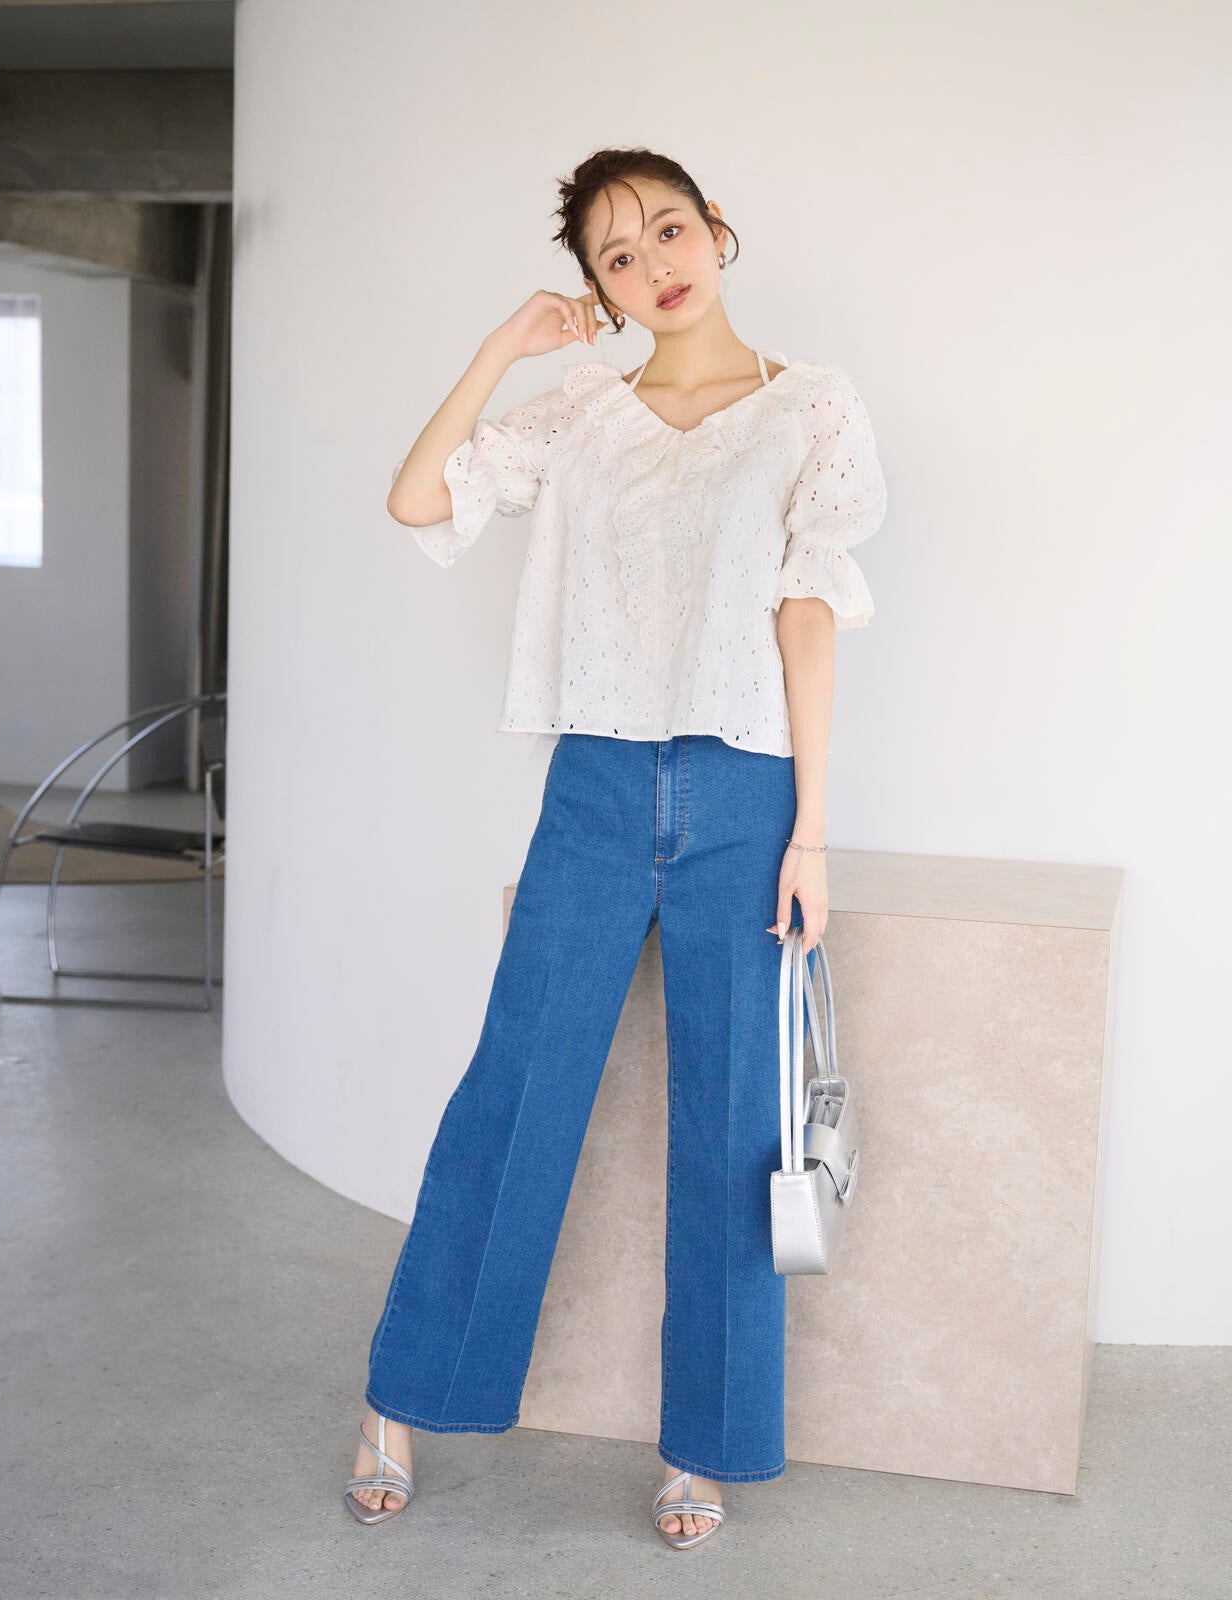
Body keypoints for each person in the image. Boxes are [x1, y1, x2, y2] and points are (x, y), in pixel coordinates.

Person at [344, 146, 888, 1549]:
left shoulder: (813, 407)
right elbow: (418, 499)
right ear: (598, 287)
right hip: (593, 784)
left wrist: (812, 831)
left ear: (719, 229)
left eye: (667, 229)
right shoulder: (582, 409)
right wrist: (502, 347)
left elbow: (807, 615)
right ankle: (404, 1396)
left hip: (745, 792)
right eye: (617, 256)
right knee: (516, 1091)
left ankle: (704, 1441)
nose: (653, 265)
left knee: (734, 1122)